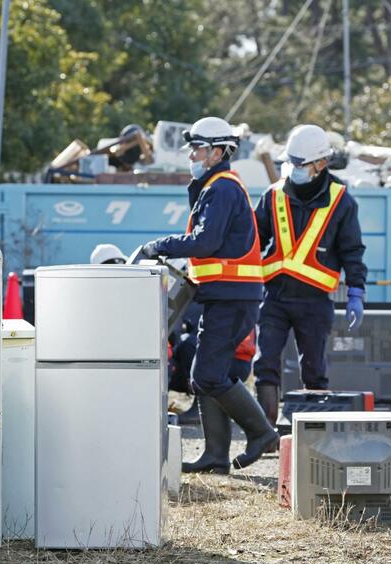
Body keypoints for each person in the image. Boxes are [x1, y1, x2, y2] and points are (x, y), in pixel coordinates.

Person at [139, 116, 278, 473]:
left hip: (232, 296)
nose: (193, 155)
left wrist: (159, 246)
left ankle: (262, 432)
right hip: (225, 295)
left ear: (219, 151)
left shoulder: (222, 188)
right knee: (210, 373)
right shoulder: (217, 186)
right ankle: (216, 455)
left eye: (198, 148)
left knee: (207, 374)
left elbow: (206, 241)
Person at [252, 125, 367, 426]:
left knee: (314, 369)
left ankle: (312, 434)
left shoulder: (341, 200)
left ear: (321, 164)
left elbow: (352, 250)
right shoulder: (273, 195)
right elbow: (252, 241)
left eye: (300, 164)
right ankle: (265, 434)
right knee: (265, 363)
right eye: (291, 163)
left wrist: (356, 292)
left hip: (315, 301)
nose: (294, 170)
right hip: (274, 297)